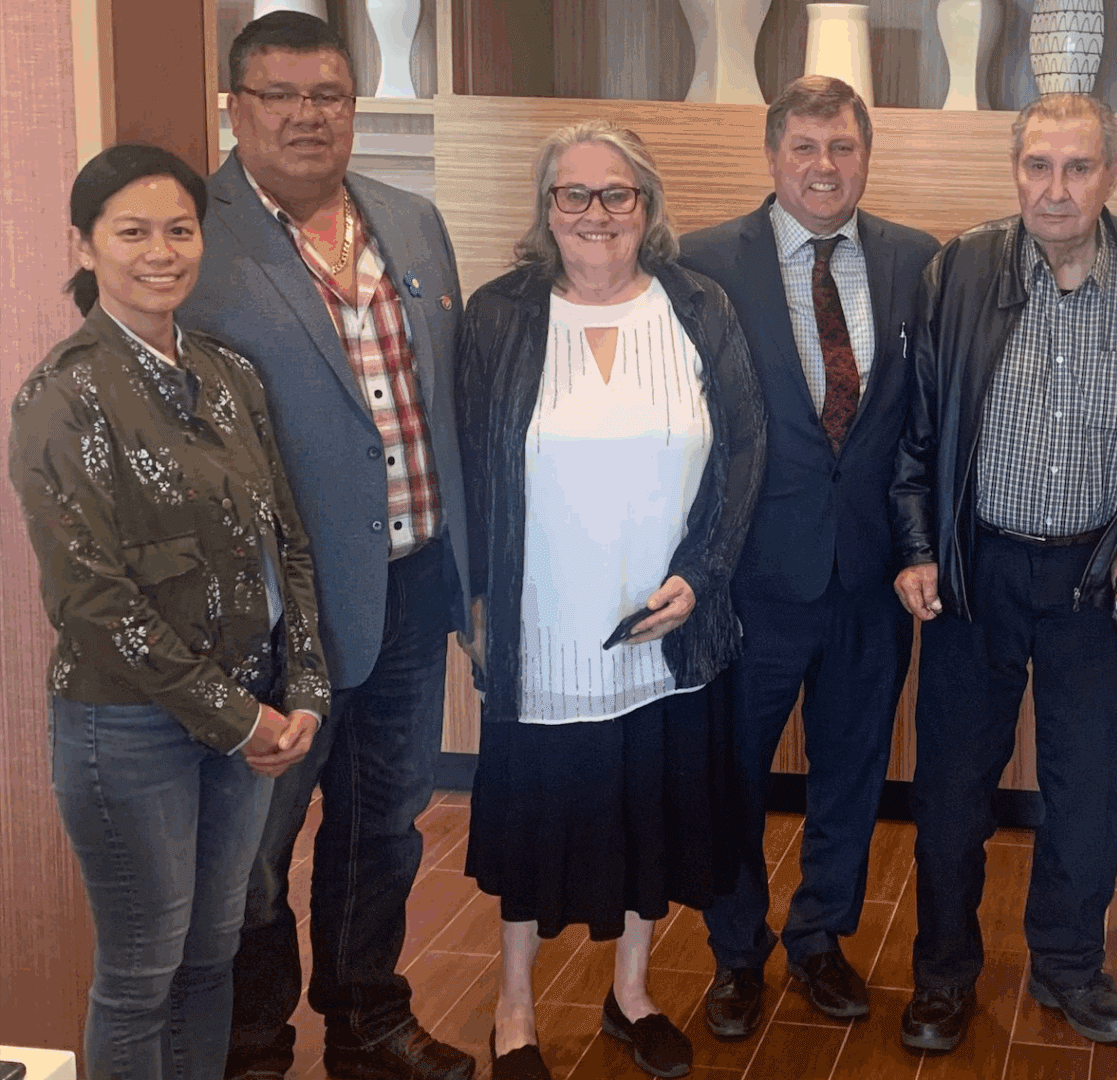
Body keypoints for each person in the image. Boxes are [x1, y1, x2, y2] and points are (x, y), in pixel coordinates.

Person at [180, 12, 476, 1079]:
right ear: (236, 107)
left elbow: (444, 403)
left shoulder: (409, 219)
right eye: (281, 96)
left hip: (411, 588)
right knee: (253, 851)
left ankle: (368, 1016)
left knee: (384, 825)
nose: (309, 116)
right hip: (269, 618)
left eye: (330, 97)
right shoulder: (192, 236)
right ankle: (254, 1041)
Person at [889, 92, 1117, 1053]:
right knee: (950, 794)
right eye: (1038, 166)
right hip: (974, 572)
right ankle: (943, 975)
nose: (1055, 188)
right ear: (1015, 172)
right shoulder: (960, 270)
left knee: (1082, 798)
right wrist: (915, 546)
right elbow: (917, 431)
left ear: (1111, 176)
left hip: (1098, 582)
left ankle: (1069, 968)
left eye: (1077, 168)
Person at [9, 143, 327, 1080]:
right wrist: (239, 720)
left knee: (210, 952)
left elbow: (288, 541)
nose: (161, 251)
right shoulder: (61, 393)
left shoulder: (231, 374)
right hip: (129, 727)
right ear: (84, 245)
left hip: (253, 719)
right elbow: (91, 596)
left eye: (179, 230)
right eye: (132, 232)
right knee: (141, 973)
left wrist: (300, 685)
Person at [456, 119, 766, 1080]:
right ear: (546, 210)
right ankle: (515, 1010)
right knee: (534, 825)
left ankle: (631, 993)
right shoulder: (498, 315)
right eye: (572, 195)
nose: (595, 214)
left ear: (647, 205)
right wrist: (472, 608)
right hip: (539, 632)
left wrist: (702, 575)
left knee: (650, 814)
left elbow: (746, 452)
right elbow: (468, 470)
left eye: (615, 194)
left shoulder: (698, 305)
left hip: (664, 631)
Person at [674, 75, 939, 1037]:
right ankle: (736, 954)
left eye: (842, 148)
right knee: (731, 776)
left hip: (872, 575)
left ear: (866, 155)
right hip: (748, 578)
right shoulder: (702, 262)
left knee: (853, 773)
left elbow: (928, 418)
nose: (824, 167)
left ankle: (820, 939)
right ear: (772, 155)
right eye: (805, 149)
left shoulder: (917, 259)